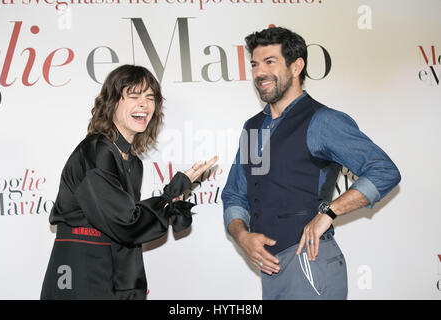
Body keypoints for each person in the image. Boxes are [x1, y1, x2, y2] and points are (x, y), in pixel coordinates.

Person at [221, 27, 401, 300]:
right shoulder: (254, 128)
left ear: (297, 66)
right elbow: (235, 193)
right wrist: (242, 236)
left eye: (270, 62)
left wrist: (329, 213)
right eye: (255, 64)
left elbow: (384, 171)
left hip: (310, 262)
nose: (259, 73)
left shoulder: (323, 121)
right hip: (272, 271)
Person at [40, 64, 217, 300]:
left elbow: (126, 231)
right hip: (80, 273)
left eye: (150, 98)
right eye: (134, 96)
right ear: (112, 103)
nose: (144, 104)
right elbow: (126, 224)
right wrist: (168, 195)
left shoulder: (134, 162)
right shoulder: (96, 150)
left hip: (111, 273)